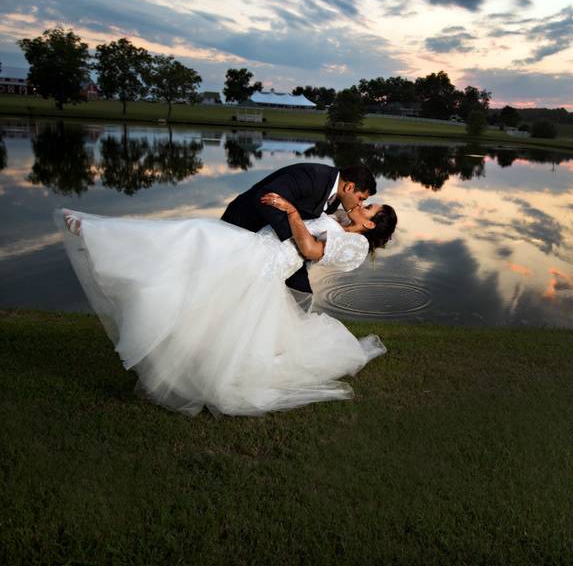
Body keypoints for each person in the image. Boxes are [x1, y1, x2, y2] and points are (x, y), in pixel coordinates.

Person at [55, 192, 398, 417]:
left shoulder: (355, 247)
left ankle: (98, 237)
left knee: (195, 239)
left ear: (370, 224)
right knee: (192, 249)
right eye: (366, 201)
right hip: (255, 249)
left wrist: (291, 210)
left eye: (369, 208)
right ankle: (102, 241)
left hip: (263, 262)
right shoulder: (340, 222)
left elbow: (310, 250)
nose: (362, 205)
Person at [221, 163, 376, 297]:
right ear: (349, 187)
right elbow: (264, 198)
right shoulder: (310, 177)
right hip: (244, 226)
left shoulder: (335, 199)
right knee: (229, 285)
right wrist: (294, 238)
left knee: (300, 296)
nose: (360, 204)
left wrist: (299, 239)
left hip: (284, 250)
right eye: (361, 198)